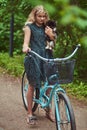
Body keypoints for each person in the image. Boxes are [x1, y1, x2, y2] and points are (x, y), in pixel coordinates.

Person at [22, 5, 56, 125]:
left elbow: (53, 42)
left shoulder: (47, 27)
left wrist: (50, 34)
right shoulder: (29, 27)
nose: (42, 19)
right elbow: (25, 43)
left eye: (44, 16)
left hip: (47, 56)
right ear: (34, 15)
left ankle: (48, 110)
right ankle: (30, 113)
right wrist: (26, 48)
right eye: (39, 16)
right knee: (32, 85)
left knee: (50, 84)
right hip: (34, 57)